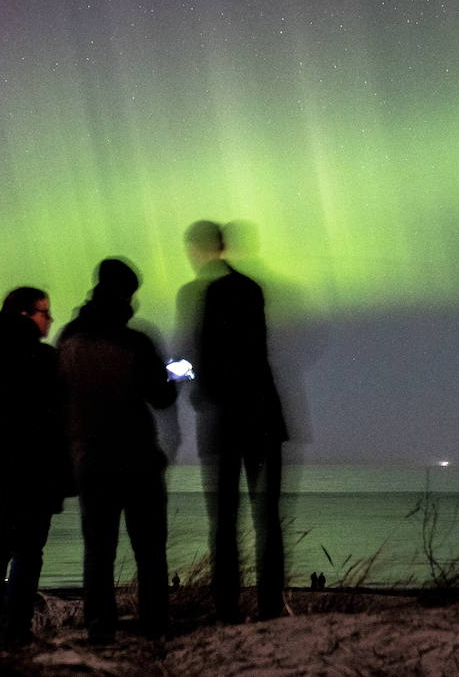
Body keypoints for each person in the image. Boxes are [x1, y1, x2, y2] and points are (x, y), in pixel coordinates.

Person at [57, 258, 177, 644]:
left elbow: (57, 401)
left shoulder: (67, 340)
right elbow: (160, 396)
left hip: (89, 461)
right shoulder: (135, 341)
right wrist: (173, 373)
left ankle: (100, 626)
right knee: (150, 551)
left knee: (98, 550)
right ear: (127, 295)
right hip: (138, 459)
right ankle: (155, 625)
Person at [176, 220, 288, 622]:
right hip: (262, 415)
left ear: (199, 249)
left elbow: (190, 351)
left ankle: (227, 610)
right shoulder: (251, 290)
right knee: (267, 520)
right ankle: (270, 608)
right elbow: (255, 349)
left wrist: (174, 378)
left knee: (224, 521)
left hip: (224, 420)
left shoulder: (198, 293)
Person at [0, 286, 72, 647]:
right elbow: (58, 416)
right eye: (45, 313)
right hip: (34, 474)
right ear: (25, 315)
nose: (50, 320)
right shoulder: (43, 359)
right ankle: (15, 632)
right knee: (28, 552)